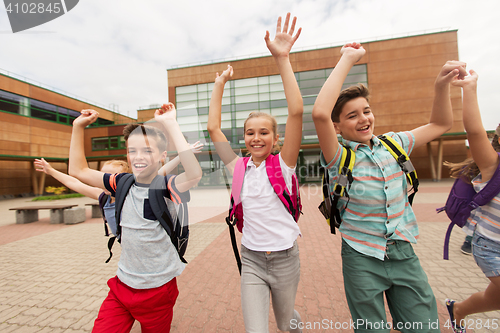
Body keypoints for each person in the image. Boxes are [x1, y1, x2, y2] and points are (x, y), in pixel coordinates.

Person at [312, 42, 467, 332]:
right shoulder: (338, 155)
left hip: (403, 252)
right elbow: (320, 113)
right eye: (352, 115)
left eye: (366, 111)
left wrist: (441, 85)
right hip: (361, 256)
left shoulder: (395, 143)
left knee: (424, 326)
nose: (363, 119)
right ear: (337, 126)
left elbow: (440, 123)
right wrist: (348, 59)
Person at [207, 13, 303, 333]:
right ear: (245, 138)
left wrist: (282, 58)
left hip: (286, 260)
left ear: (276, 139)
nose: (257, 138)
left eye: (264, 133)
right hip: (251, 261)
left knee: (286, 324)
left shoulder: (284, 165)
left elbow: (296, 111)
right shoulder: (239, 168)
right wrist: (219, 84)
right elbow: (213, 128)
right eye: (250, 133)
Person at [68, 104, 202, 333]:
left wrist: (170, 123)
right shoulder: (121, 183)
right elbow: (78, 170)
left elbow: (193, 174)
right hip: (121, 287)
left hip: (158, 291)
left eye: (147, 151)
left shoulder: (165, 186)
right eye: (133, 151)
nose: (139, 157)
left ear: (162, 156)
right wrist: (77, 126)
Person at [444, 73, 500, 333]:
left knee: (494, 299)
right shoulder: (492, 166)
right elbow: (475, 131)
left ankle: (458, 310)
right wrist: (470, 88)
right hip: (491, 246)